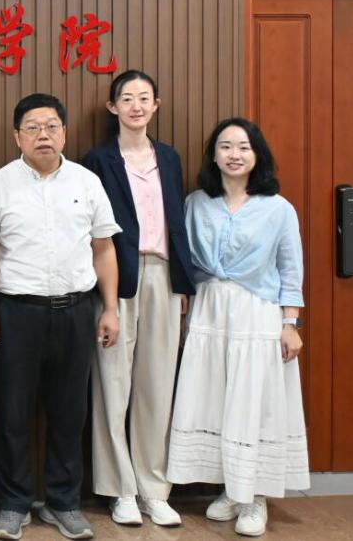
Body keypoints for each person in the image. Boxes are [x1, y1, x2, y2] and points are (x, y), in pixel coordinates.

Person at [0, 93, 121, 541]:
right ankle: (14, 504)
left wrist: (110, 308)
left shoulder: (86, 182)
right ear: (17, 136)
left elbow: (104, 247)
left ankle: (63, 503)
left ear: (65, 132)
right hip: (16, 313)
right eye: (33, 127)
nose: (44, 135)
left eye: (52, 126)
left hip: (76, 311)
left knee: (69, 412)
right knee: (13, 413)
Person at [166, 118, 309, 537]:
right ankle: (231, 488)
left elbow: (290, 269)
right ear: (213, 156)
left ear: (257, 155)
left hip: (256, 312)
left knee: (253, 401)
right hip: (209, 309)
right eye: (226, 146)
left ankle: (254, 497)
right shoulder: (196, 203)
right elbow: (183, 260)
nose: (234, 154)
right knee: (214, 397)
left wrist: (290, 323)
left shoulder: (278, 209)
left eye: (244, 147)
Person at [79, 70, 195, 528]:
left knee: (157, 384)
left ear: (156, 105)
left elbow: (177, 222)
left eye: (144, 98)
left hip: (164, 274)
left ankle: (154, 488)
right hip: (116, 276)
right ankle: (120, 489)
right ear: (113, 107)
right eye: (126, 98)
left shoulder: (169, 157)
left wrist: (182, 285)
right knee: (112, 383)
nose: (136, 106)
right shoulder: (98, 159)